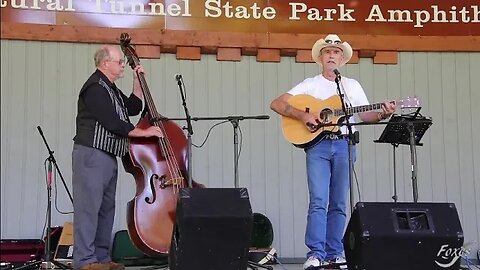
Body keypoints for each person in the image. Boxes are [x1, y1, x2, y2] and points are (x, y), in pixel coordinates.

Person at [270, 34, 396, 270]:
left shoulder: (351, 86)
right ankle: (316, 253)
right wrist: (304, 115)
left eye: (336, 52)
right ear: (320, 57)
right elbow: (277, 103)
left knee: (338, 202)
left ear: (342, 59)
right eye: (327, 52)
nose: (331, 55)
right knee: (318, 200)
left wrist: (382, 113)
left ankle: (334, 253)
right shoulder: (309, 84)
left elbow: (364, 115)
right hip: (318, 146)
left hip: (344, 144)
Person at [72, 45, 163, 270]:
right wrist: (142, 132)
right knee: (88, 208)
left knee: (105, 208)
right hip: (92, 153)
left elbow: (132, 107)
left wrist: (137, 81)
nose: (123, 64)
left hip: (108, 155)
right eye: (120, 62)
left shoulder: (110, 88)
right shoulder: (95, 87)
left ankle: (101, 259)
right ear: (105, 64)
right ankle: (84, 261)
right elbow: (111, 122)